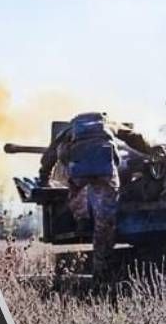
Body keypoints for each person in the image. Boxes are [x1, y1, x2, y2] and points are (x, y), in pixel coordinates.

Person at [40, 112, 141, 278]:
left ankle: (82, 218)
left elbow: (50, 155)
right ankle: (101, 268)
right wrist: (153, 151)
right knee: (105, 222)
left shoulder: (70, 129)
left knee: (75, 191)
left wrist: (44, 176)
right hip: (106, 170)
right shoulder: (110, 123)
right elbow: (135, 138)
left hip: (78, 170)